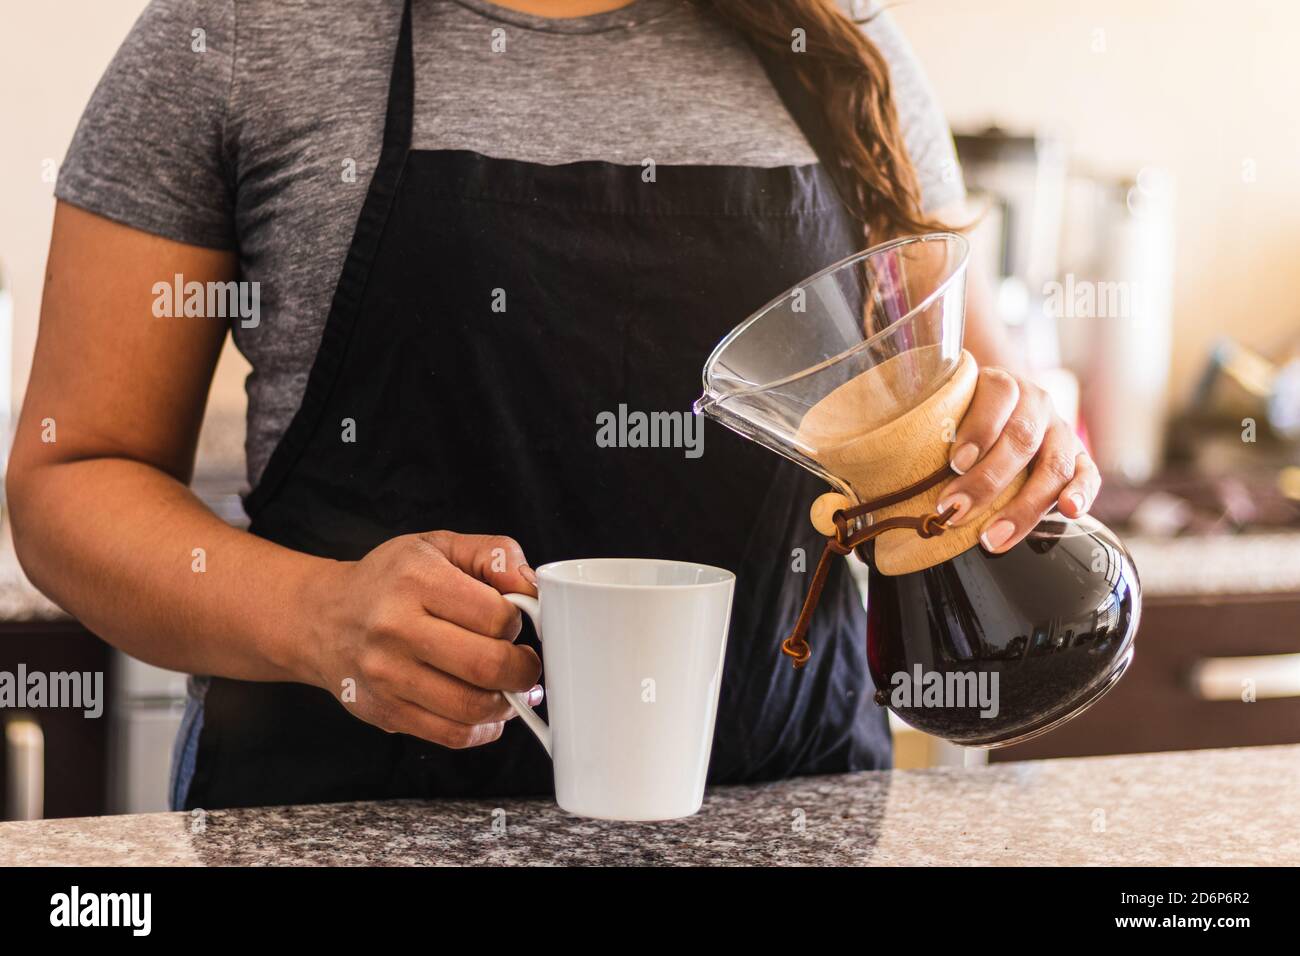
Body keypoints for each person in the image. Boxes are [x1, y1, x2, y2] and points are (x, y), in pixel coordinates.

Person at [7, 0, 1098, 810]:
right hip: (345, 823)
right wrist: (315, 615)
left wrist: (1016, 442)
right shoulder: (241, 32)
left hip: (788, 816)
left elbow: (962, 409)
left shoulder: (836, 43)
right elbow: (69, 474)